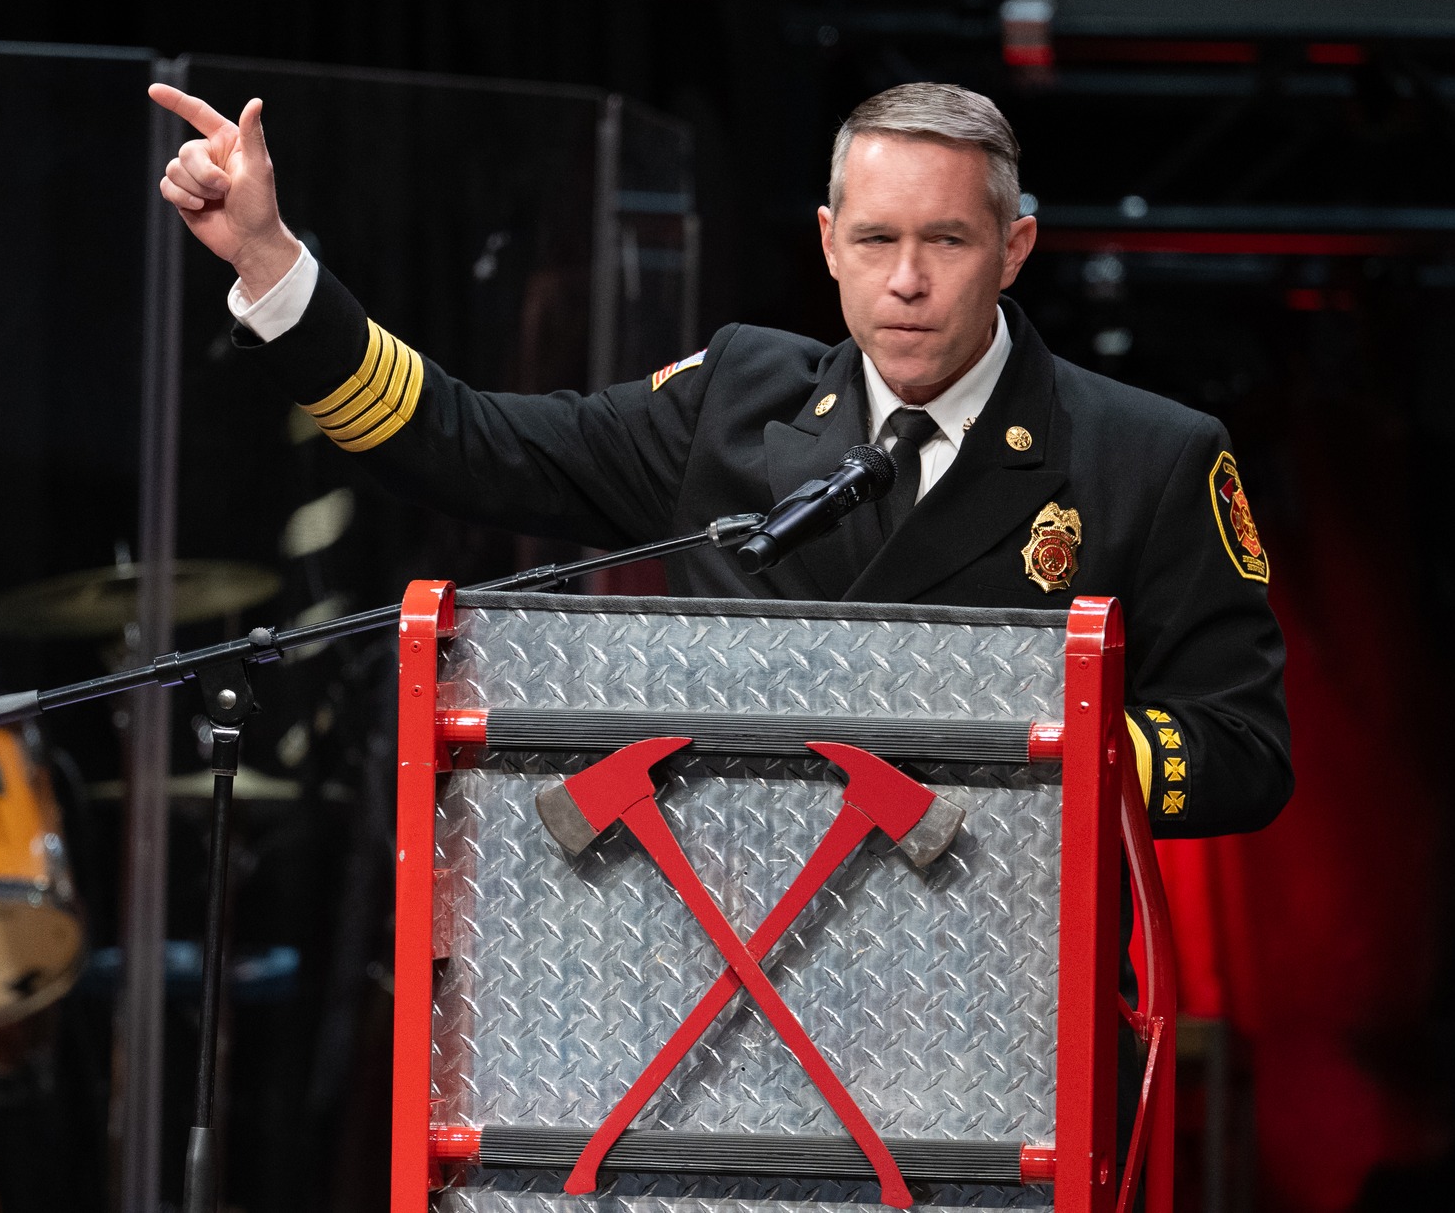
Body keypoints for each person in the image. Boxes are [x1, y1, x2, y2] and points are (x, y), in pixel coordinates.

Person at [149, 80, 1289, 837]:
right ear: (828, 243)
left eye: (944, 240)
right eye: (876, 240)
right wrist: (268, 260)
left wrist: (1027, 758)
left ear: (1012, 249)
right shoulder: (738, 400)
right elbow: (467, 444)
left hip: (1006, 986)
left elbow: (1239, 751)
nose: (905, 279)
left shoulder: (1148, 455)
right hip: (721, 964)